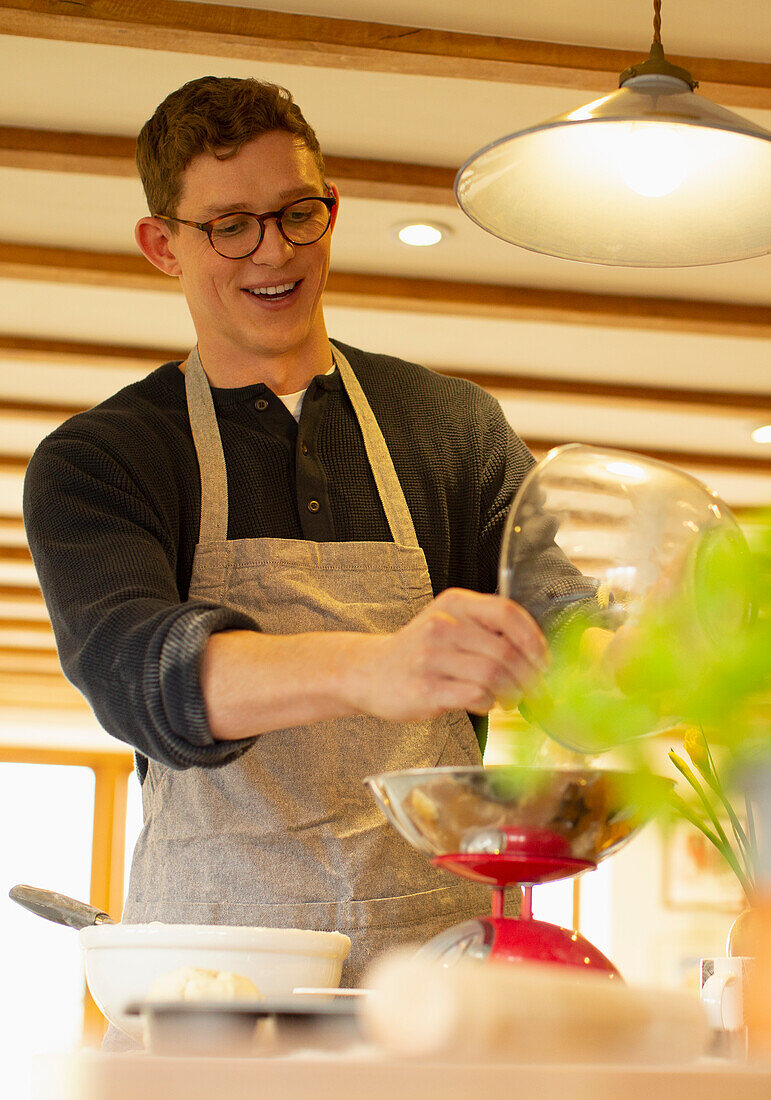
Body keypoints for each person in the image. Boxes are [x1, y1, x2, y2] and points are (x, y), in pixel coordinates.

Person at [24, 75, 572, 986]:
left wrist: (634, 647)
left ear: (331, 209)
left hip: (440, 978)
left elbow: (554, 610)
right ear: (162, 245)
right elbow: (147, 674)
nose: (272, 251)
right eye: (230, 225)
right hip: (216, 976)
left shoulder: (452, 426)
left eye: (296, 214)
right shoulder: (100, 459)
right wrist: (375, 665)